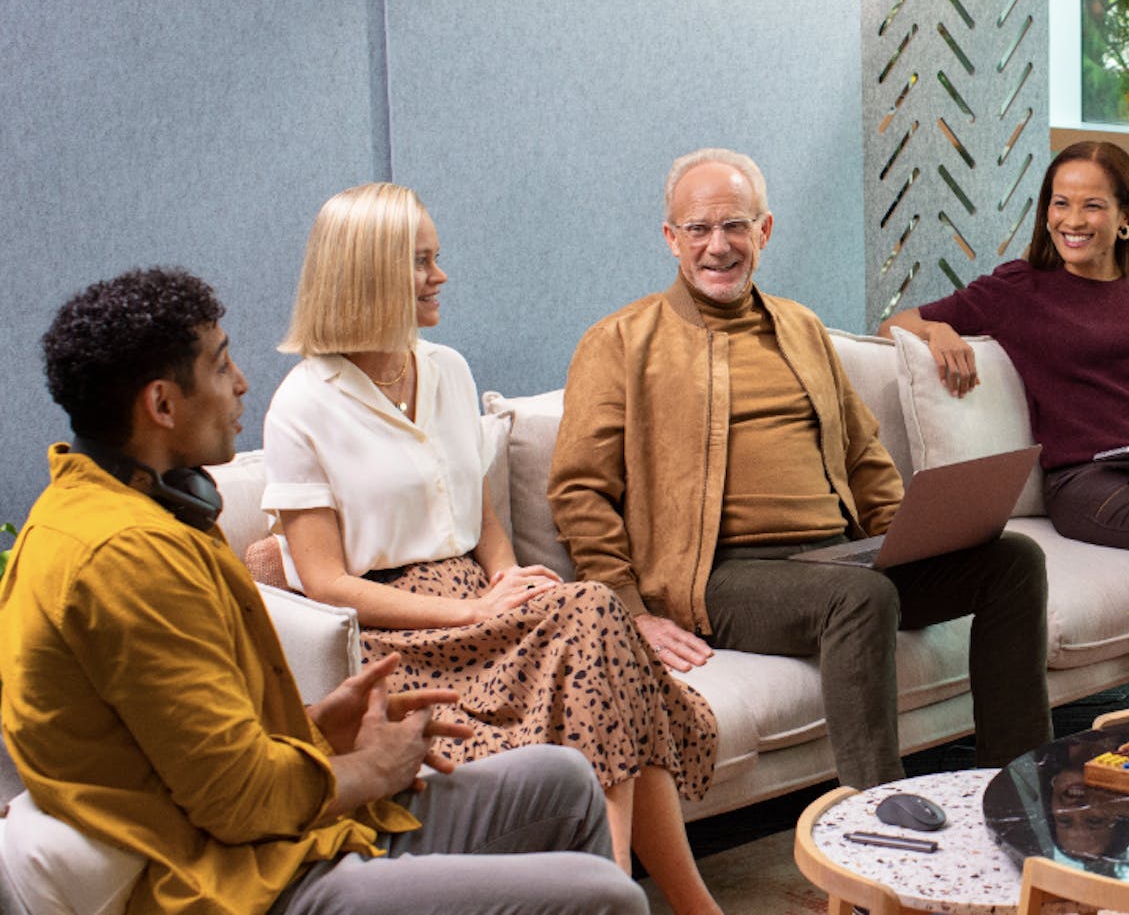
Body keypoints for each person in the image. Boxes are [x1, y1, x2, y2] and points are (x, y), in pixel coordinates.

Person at [1, 267, 646, 914]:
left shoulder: (143, 510)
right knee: (606, 897)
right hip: (244, 879)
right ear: (163, 405)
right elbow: (236, 800)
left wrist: (318, 731)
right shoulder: (127, 561)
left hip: (288, 834)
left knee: (564, 780)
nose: (241, 383)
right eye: (221, 365)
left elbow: (186, 748)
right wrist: (372, 769)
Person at [259, 184, 720, 914]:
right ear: (370, 272)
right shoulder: (302, 404)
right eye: (421, 262)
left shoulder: (448, 368)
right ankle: (674, 905)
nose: (440, 275)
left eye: (436, 257)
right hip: (396, 633)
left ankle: (643, 901)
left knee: (590, 631)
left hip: (483, 603)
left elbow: (480, 515)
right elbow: (325, 584)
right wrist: (471, 613)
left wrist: (510, 581)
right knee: (599, 628)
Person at [548, 148, 1053, 790]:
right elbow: (580, 489)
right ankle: (875, 812)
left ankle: (1016, 790)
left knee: (1013, 560)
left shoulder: (801, 327)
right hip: (721, 577)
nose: (718, 246)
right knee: (860, 596)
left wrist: (908, 539)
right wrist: (628, 608)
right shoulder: (620, 341)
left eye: (735, 226)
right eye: (698, 229)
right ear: (671, 239)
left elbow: (863, 454)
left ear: (763, 230)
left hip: (837, 558)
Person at [879, 140, 1129, 705]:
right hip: (1087, 484)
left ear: (1123, 217)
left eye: (1092, 205)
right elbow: (894, 324)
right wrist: (937, 329)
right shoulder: (1020, 291)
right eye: (1060, 203)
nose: (1072, 220)